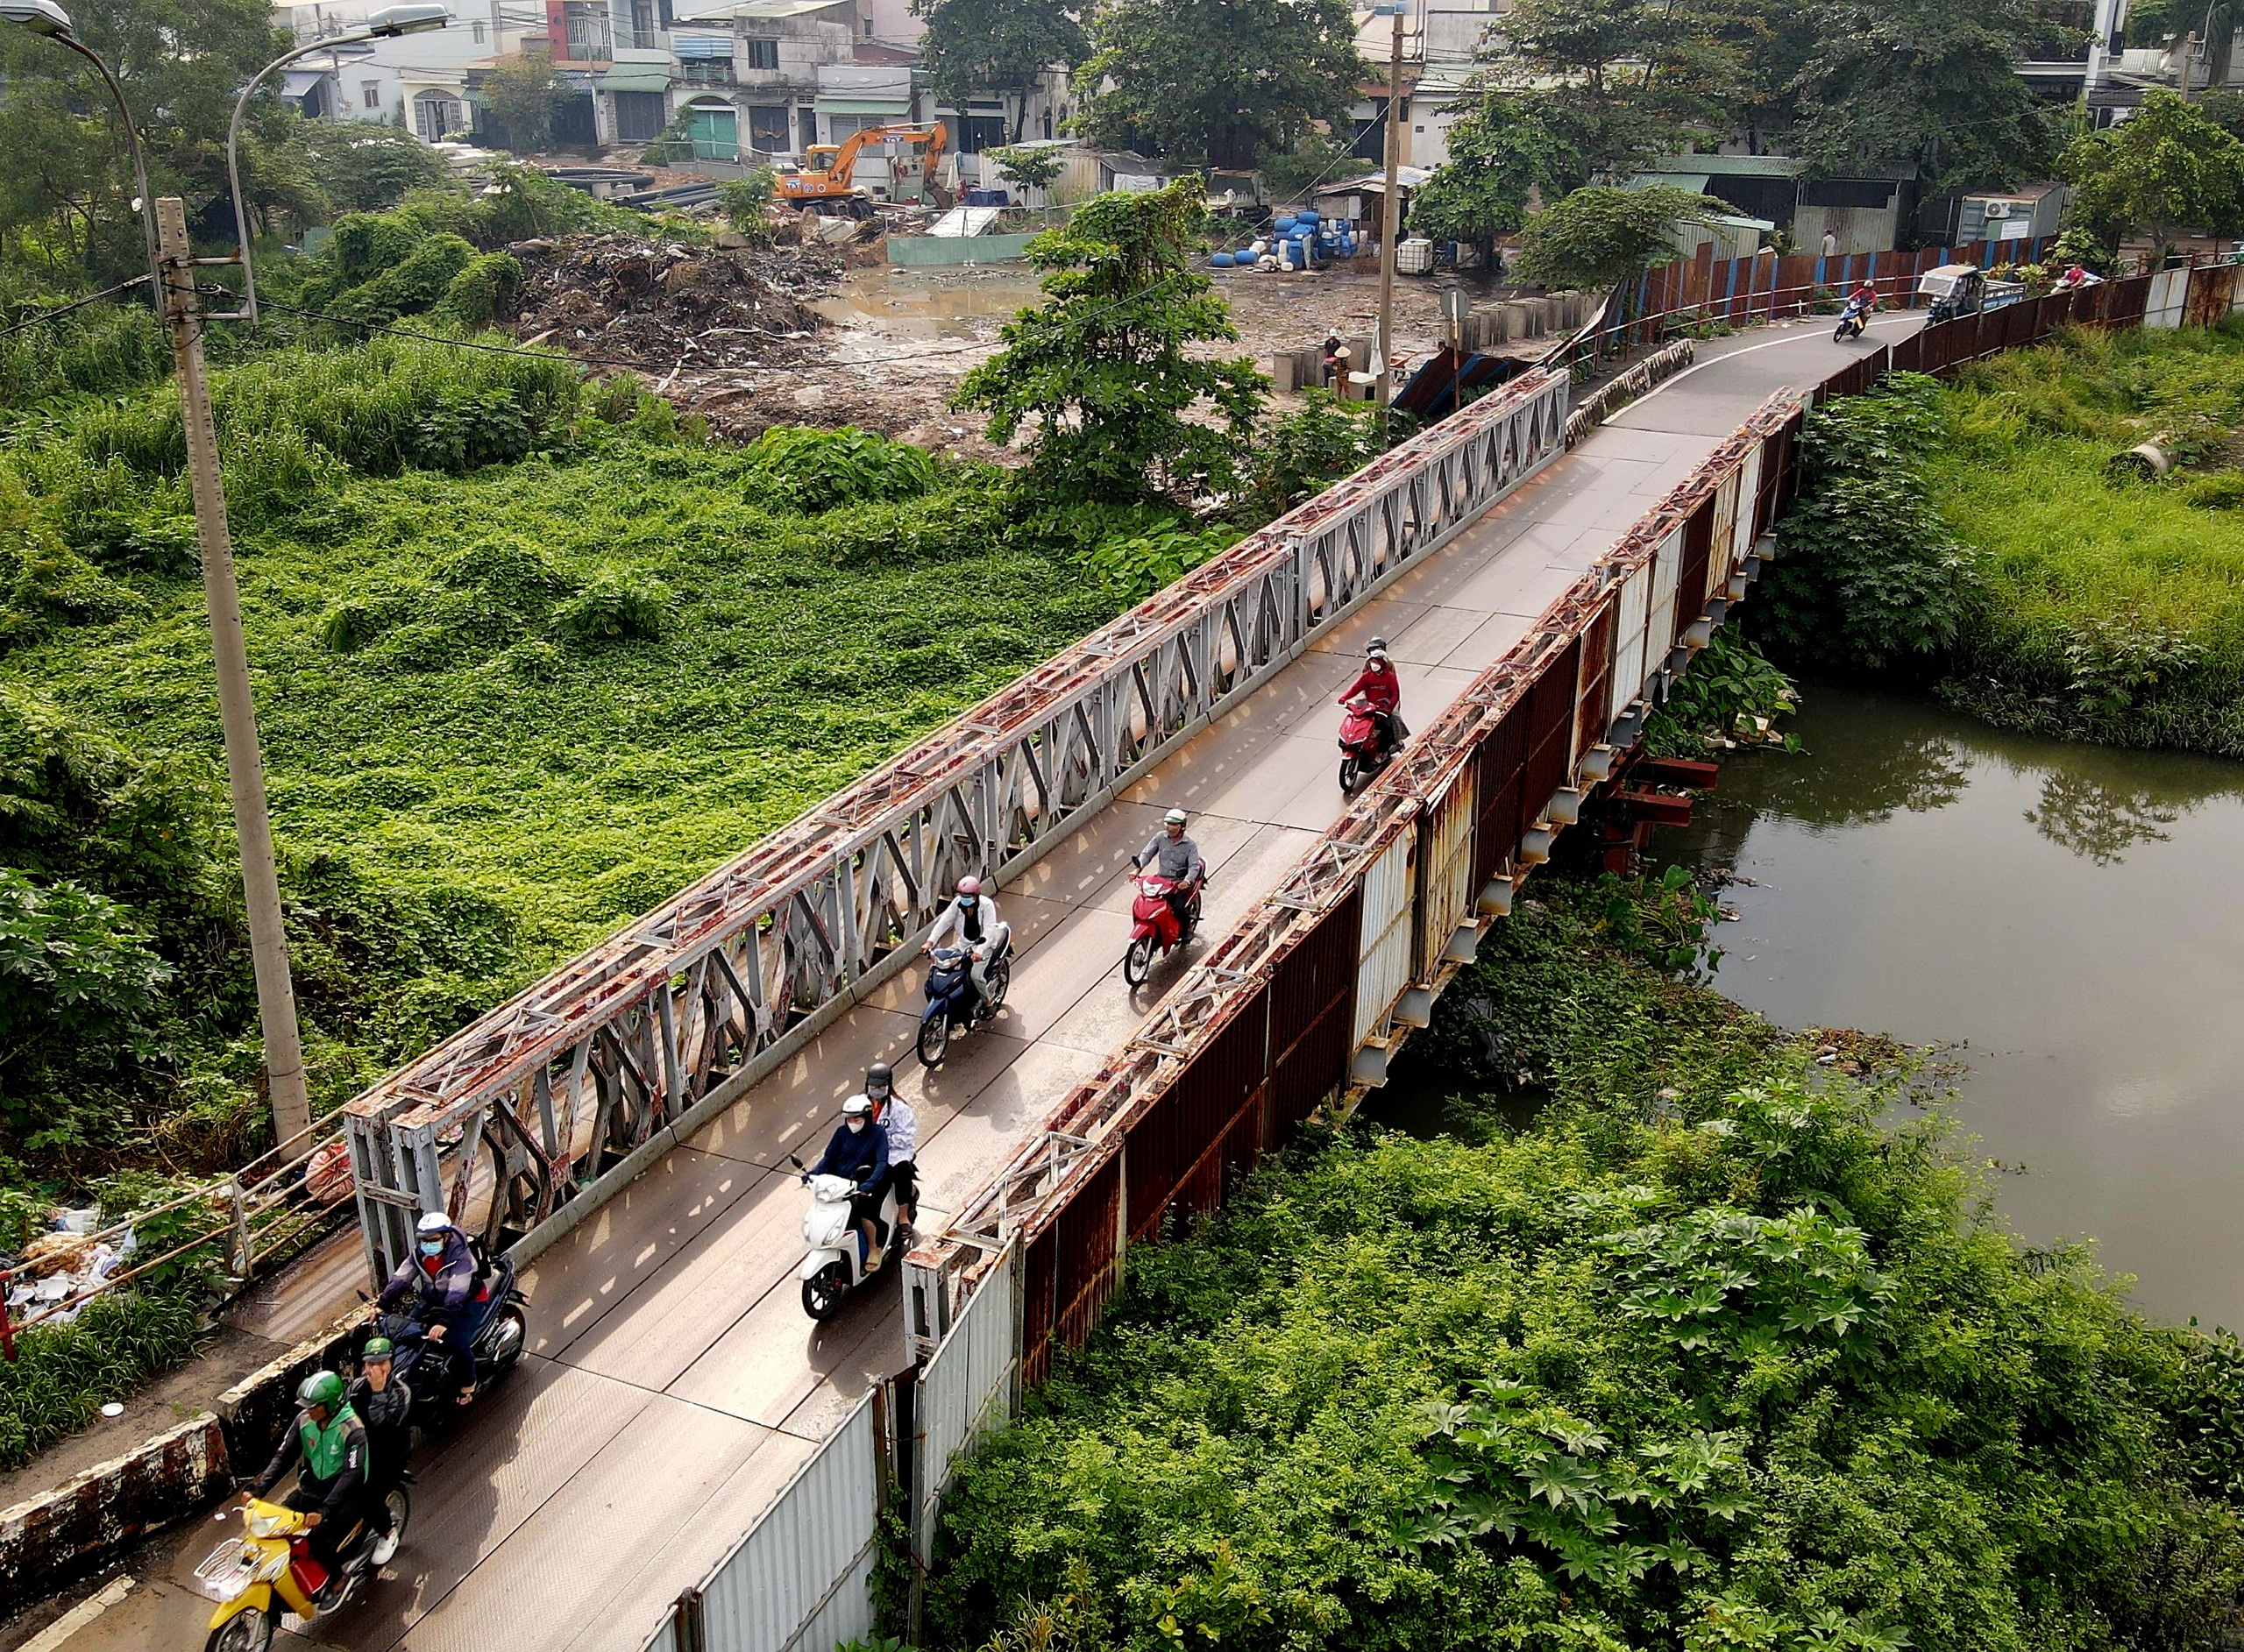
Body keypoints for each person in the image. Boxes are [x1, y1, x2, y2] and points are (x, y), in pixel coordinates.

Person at [237, 1370, 368, 1599]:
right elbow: (284, 1457)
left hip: (344, 1496)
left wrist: (324, 1510)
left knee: (317, 1538)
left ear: (330, 1404)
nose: (308, 1410)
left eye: (313, 1406)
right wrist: (258, 1489)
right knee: (274, 1524)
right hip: (311, 1489)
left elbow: (352, 1475)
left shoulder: (353, 1429)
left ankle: (339, 1578)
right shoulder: (304, 1421)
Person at [377, 1212, 478, 1408]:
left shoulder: (461, 1257)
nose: (428, 1244)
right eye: (424, 1240)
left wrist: (443, 1323)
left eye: (433, 1240)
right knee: (406, 1333)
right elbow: (401, 1278)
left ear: (446, 1236)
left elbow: (457, 1293)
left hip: (467, 1301)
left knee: (457, 1344)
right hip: (433, 1299)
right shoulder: (420, 1255)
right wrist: (381, 1304)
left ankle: (468, 1384)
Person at [807, 1094, 891, 1270]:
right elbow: (829, 1158)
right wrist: (813, 1174)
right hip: (841, 1185)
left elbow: (882, 1162)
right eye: (849, 1118)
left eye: (856, 1118)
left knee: (864, 1212)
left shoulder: (878, 1133)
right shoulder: (841, 1133)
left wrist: (870, 1183)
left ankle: (873, 1247)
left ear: (866, 1117)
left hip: (864, 1185)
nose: (852, 1122)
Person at [348, 1337, 412, 1567]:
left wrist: (377, 1393)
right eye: (370, 1364)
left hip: (388, 1455)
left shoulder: (401, 1393)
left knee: (369, 1497)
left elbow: (383, 1428)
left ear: (391, 1364)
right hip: (360, 1450)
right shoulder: (356, 1388)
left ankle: (388, 1533)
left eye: (381, 1363)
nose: (375, 1369)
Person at [922, 876, 1011, 1011]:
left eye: (968, 895)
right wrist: (930, 942)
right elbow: (944, 922)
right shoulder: (958, 903)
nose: (964, 897)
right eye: (962, 894)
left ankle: (988, 1003)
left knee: (976, 976)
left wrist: (979, 951)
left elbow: (989, 931)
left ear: (976, 895)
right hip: (963, 945)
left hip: (983, 947)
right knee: (937, 966)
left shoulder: (986, 905)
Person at [1130, 807, 1207, 935]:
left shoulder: (1190, 845)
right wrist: (1137, 869)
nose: (1170, 828)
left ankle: (1187, 929)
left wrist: (1187, 881)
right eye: (1169, 824)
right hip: (1162, 881)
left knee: (1177, 908)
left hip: (1180, 883)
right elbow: (1147, 854)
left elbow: (1194, 867)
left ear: (1182, 826)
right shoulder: (1160, 837)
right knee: (1147, 903)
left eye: (1174, 825)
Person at [867, 1063, 918, 1234]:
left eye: (881, 1087)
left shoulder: (899, 1109)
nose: (877, 1091)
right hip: (866, 1154)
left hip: (893, 1154)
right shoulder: (859, 1105)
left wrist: (883, 1140)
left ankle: (903, 1216)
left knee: (900, 1171)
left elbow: (907, 1136)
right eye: (873, 1087)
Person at [1335, 639, 1405, 756]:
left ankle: (1396, 743)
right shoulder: (1368, 672)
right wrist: (1344, 698)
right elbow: (1357, 686)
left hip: (1385, 704)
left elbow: (1395, 693)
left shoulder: (1389, 674)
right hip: (1370, 703)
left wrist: (1389, 707)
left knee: (1392, 722)